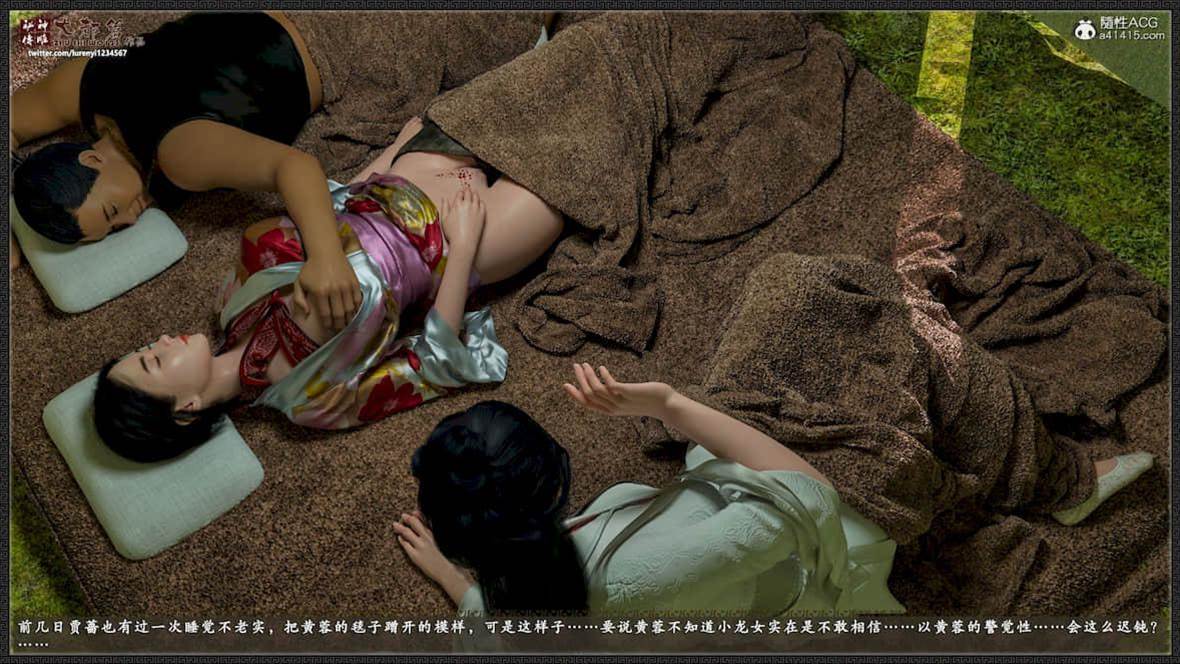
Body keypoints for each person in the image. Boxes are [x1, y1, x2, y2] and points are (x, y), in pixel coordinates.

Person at [395, 365, 1155, 617]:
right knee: (899, 380)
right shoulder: (634, 580)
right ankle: (1062, 481)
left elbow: (491, 624)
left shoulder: (514, 593)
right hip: (813, 544)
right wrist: (668, 405)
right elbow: (809, 498)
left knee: (795, 305)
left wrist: (454, 579)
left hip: (722, 497)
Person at [92, 134, 563, 461]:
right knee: (580, 139)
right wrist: (464, 245)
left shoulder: (232, 299)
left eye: (146, 348)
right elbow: (436, 363)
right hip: (470, 238)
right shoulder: (311, 402)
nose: (160, 340)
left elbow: (331, 205)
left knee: (560, 64)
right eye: (153, 361)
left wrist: (396, 149)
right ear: (186, 409)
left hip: (405, 173)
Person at [11, 11, 364, 330]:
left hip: (342, 41)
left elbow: (296, 165)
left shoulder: (179, 157)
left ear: (92, 160)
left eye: (112, 211)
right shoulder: (83, 83)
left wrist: (327, 257)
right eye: (115, 228)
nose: (130, 221)